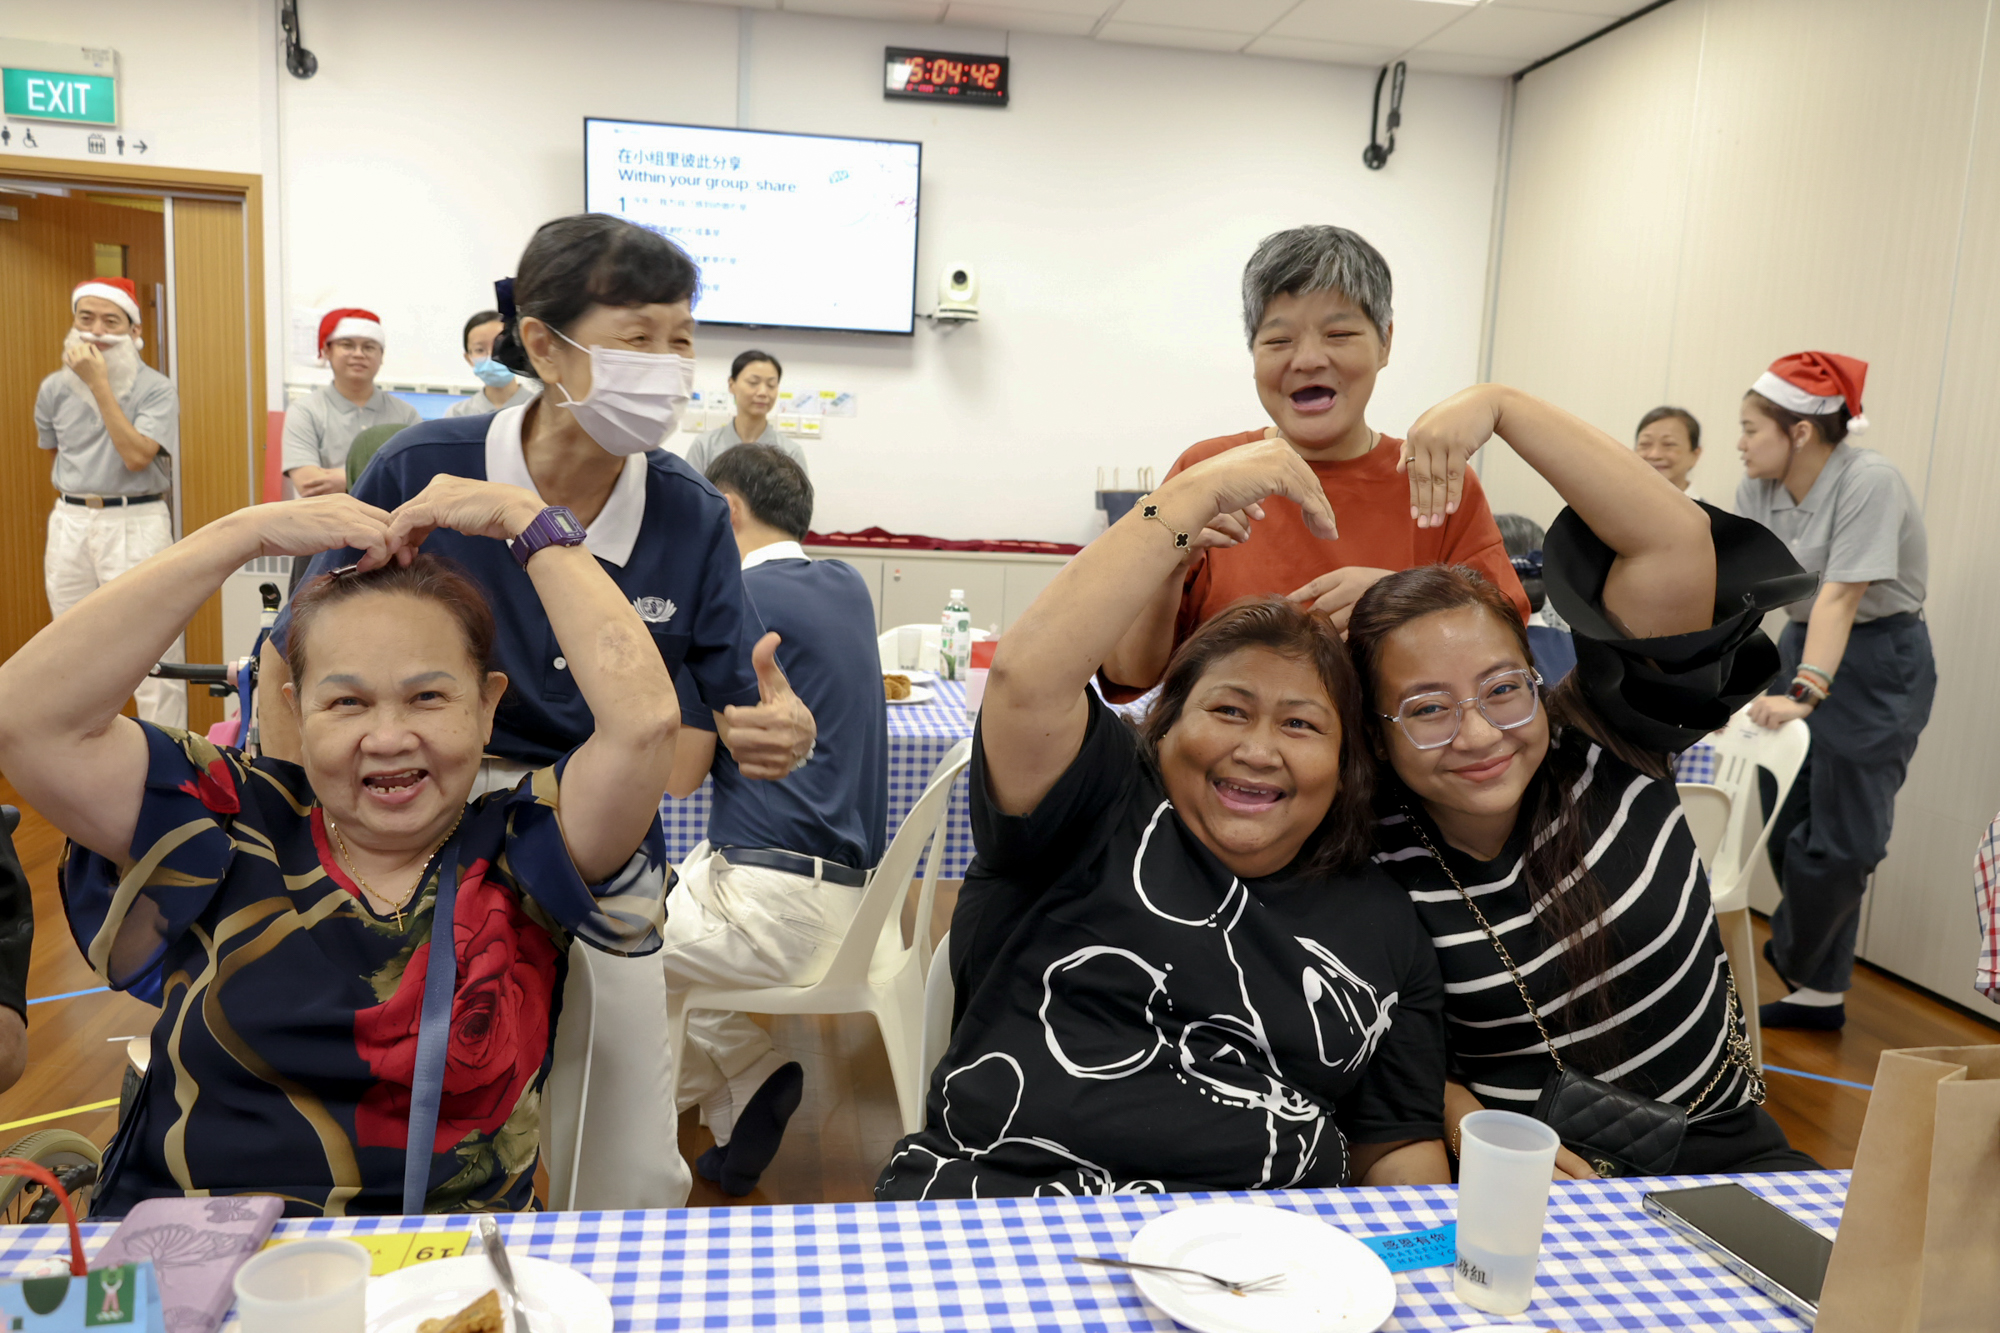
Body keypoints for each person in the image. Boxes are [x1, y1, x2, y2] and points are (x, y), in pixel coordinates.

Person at [260, 214, 816, 1210]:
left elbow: (744, 700)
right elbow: (293, 655)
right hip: (422, 811)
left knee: (626, 1137)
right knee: (402, 1098)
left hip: (597, 825)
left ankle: (610, 1265)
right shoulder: (424, 469)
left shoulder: (687, 512)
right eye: (636, 338)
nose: (667, 366)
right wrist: (294, 828)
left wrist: (780, 731)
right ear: (545, 347)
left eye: (681, 340)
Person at [0, 490, 677, 1216]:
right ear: (296, 709)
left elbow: (644, 725)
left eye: (427, 697)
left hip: (441, 1270)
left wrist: (525, 518)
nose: (387, 737)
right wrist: (241, 531)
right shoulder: (224, 818)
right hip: (191, 1254)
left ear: (486, 706)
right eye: (346, 702)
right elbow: (26, 720)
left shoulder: (525, 851)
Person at [875, 437, 1450, 1200]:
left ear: (1348, 763)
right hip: (1012, 1213)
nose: (1258, 750)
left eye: (1301, 724)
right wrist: (1187, 499)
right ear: (1164, 726)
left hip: (1268, 1248)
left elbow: (1397, 1147)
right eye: (1229, 709)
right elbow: (1025, 677)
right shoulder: (1097, 806)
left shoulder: (1385, 923)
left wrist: (1422, 1260)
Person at [1349, 382, 1819, 1178]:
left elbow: (1674, 540)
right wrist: (1460, 1114)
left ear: (1538, 676)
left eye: (1503, 689)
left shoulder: (1607, 740)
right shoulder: (1370, 854)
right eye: (1427, 708)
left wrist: (1501, 405)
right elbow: (1377, 1051)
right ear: (1376, 729)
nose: (1478, 734)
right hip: (1523, 1181)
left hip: (1720, 1152)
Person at [1101, 226, 1526, 698]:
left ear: (1385, 342)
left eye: (1338, 334)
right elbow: (1129, 673)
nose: (1307, 359)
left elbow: (1506, 656)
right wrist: (1172, 562)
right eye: (1278, 341)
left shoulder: (1436, 480)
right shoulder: (1207, 470)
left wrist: (1398, 603)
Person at [661, 443, 887, 1196]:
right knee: (656, 900)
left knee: (599, 949)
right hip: (852, 902)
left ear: (724, 511)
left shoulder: (731, 605)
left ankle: (643, 1136)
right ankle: (744, 1090)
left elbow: (679, 775)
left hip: (774, 908)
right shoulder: (846, 583)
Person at [1735, 352, 1933, 1031]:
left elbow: (1842, 596)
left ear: (1799, 431)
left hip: (1878, 658)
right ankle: (1819, 993)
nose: (1740, 443)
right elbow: (1747, 592)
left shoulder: (1869, 480)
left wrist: (1805, 693)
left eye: (1751, 429)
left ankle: (1795, 953)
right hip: (1800, 643)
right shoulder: (1758, 488)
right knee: (1787, 825)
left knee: (1845, 841)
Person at [34, 278, 184, 728]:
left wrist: (99, 384)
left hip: (135, 520)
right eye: (86, 319)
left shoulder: (156, 388)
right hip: (71, 520)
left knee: (151, 651)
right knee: (69, 647)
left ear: (134, 331)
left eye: (110, 321)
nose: (96, 331)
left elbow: (137, 457)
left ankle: (170, 756)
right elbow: (56, 454)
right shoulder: (54, 389)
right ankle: (78, 753)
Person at [283, 309, 422, 496]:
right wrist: (385, 480)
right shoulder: (304, 411)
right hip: (326, 514)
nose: (358, 354)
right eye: (347, 345)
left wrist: (346, 480)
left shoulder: (406, 414)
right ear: (327, 351)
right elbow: (310, 485)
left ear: (381, 356)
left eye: (369, 347)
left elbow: (420, 480)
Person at [683, 350, 809, 476]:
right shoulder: (705, 446)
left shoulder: (790, 452)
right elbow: (687, 488)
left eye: (771, 385)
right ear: (731, 384)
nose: (763, 392)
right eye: (753, 383)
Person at [445, 309, 540, 419]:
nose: (492, 356)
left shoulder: (539, 408)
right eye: (480, 350)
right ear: (468, 358)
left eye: (499, 346)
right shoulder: (457, 414)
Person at [1634, 405, 1703, 500]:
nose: (1654, 455)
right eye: (1645, 444)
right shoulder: (1618, 505)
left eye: (1669, 444)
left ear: (1695, 455)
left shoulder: (1701, 510)